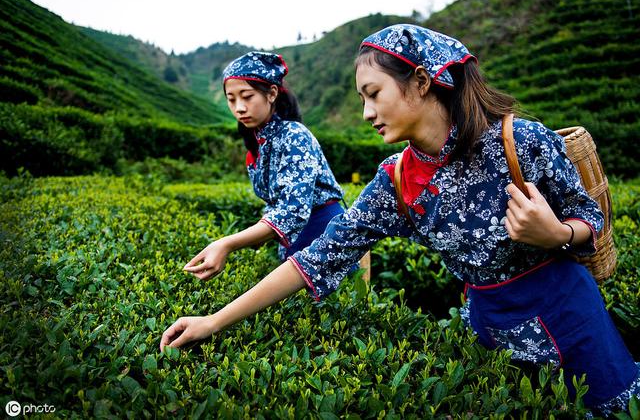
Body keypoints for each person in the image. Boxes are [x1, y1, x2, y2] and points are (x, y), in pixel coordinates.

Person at [161, 26, 639, 415]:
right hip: (492, 328)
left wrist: (556, 233)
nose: (367, 113)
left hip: (571, 318)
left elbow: (590, 219)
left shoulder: (521, 141)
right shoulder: (397, 181)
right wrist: (215, 320)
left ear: (421, 82)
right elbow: (317, 258)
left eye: (373, 94)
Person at [181, 51, 346, 280]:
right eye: (231, 99)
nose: (239, 107)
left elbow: (293, 211)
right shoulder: (256, 147)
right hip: (292, 241)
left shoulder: (294, 136)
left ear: (272, 93)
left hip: (325, 236)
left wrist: (227, 243)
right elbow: (275, 208)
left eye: (247, 96)